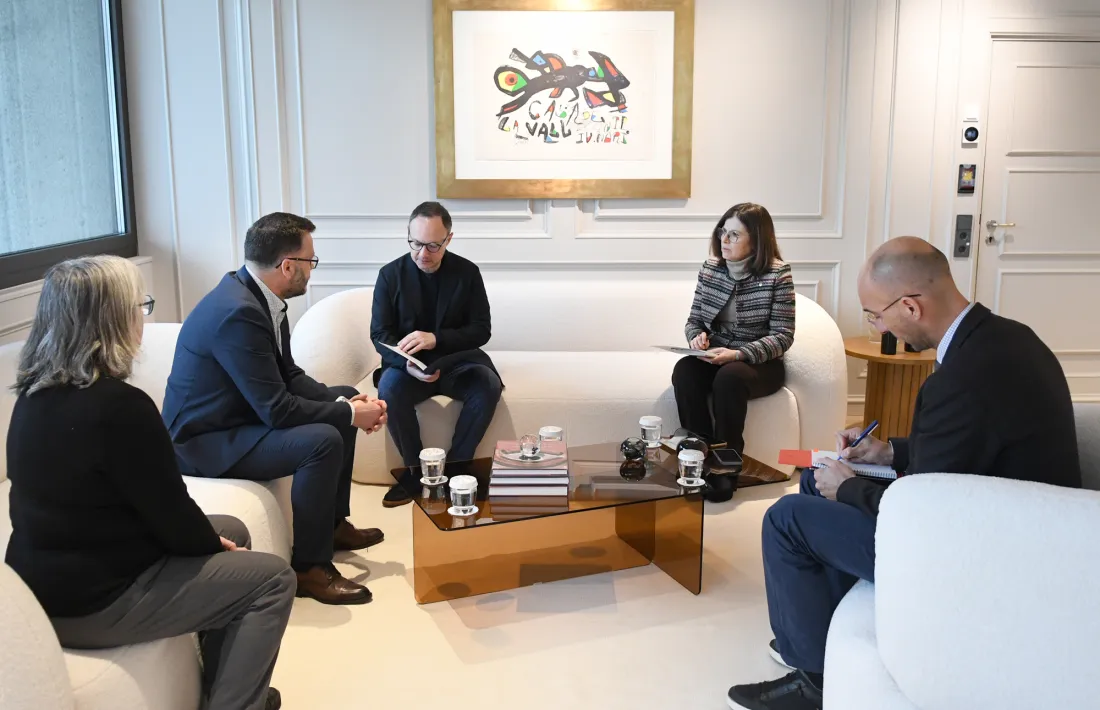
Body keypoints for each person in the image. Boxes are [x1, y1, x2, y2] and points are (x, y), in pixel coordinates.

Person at [726, 237, 1081, 710]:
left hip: (990, 549)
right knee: (814, 480)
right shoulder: (1006, 339)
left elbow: (922, 511)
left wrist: (850, 487)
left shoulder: (959, 380)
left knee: (788, 518)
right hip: (1004, 511)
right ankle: (817, 627)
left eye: (874, 315)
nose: (875, 327)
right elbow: (969, 449)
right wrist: (887, 453)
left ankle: (814, 680)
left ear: (910, 307)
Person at [4, 256, 293, 710]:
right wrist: (208, 545)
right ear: (111, 319)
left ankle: (222, 689)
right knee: (272, 579)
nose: (143, 317)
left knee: (231, 529)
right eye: (139, 306)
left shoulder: (32, 397)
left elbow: (131, 508)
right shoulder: (121, 408)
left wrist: (212, 541)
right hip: (94, 600)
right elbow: (172, 515)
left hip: (42, 582)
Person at [163, 212, 389, 605]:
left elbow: (289, 376)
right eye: (310, 261)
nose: (312, 270)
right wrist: (351, 415)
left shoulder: (260, 297)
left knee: (343, 392)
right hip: (204, 442)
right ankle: (310, 569)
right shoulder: (239, 312)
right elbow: (277, 411)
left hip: (237, 417)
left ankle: (333, 525)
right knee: (322, 440)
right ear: (288, 266)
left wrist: (345, 402)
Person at [371, 201, 503, 508]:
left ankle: (458, 470)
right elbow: (380, 335)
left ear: (448, 239)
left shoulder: (467, 272)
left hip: (457, 364)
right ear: (408, 237)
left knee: (488, 385)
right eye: (415, 243)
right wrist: (406, 363)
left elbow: (481, 330)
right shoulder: (390, 275)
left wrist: (436, 338)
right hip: (408, 368)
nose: (422, 254)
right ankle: (413, 474)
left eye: (432, 245)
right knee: (388, 388)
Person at [672, 202, 795, 454]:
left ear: (757, 239)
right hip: (716, 356)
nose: (724, 239)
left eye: (734, 234)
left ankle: (727, 462)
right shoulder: (710, 269)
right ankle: (698, 452)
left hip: (758, 364)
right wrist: (697, 338)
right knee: (685, 369)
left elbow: (783, 336)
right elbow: (694, 320)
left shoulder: (778, 274)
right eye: (722, 232)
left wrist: (739, 354)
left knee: (730, 378)